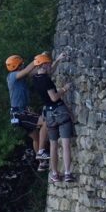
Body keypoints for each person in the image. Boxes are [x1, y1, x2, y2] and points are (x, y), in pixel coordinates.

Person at [31, 52, 74, 183]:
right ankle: (67, 173)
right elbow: (54, 97)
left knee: (54, 145)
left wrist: (58, 60)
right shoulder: (46, 80)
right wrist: (64, 89)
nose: (50, 65)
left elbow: (49, 72)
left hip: (49, 115)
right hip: (59, 111)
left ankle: (54, 174)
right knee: (66, 144)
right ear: (43, 64)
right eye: (48, 63)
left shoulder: (36, 78)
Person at [5, 54, 49, 168]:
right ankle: (41, 152)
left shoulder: (20, 76)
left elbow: (33, 72)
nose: (23, 65)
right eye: (21, 64)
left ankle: (41, 163)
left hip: (21, 112)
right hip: (20, 113)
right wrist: (37, 60)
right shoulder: (12, 76)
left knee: (35, 136)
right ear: (16, 65)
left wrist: (43, 65)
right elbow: (26, 71)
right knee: (46, 122)